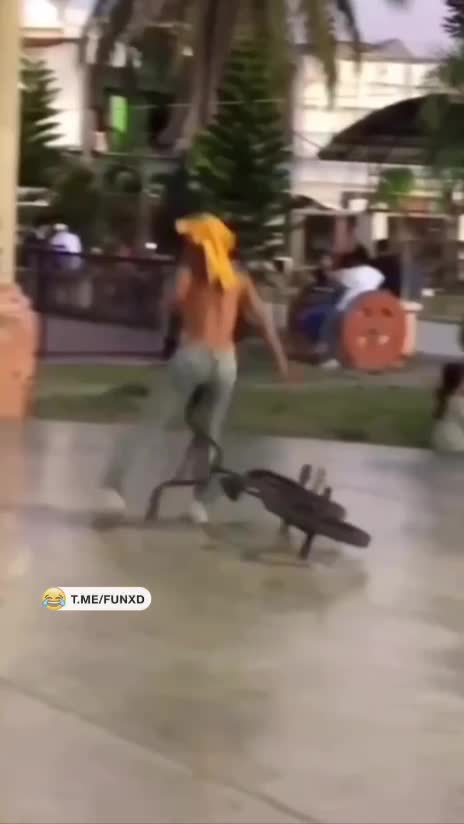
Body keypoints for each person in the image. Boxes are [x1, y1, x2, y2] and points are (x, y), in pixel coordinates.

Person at [99, 213, 290, 525]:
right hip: (225, 362)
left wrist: (181, 272)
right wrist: (280, 359)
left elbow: (170, 301)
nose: (186, 245)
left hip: (193, 355)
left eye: (190, 241)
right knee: (210, 433)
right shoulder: (238, 276)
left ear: (200, 244)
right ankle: (200, 504)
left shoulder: (190, 272)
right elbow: (262, 317)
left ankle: (114, 488)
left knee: (153, 421)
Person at [297, 245, 385, 367]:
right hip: (368, 312)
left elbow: (331, 276)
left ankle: (329, 357)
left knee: (328, 324)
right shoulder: (377, 274)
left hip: (346, 310)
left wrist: (325, 266)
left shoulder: (351, 272)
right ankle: (327, 352)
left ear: (353, 260)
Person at [432, 362, 464, 453]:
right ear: (458, 381)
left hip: (442, 441)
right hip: (455, 445)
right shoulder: (458, 401)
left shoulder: (446, 397)